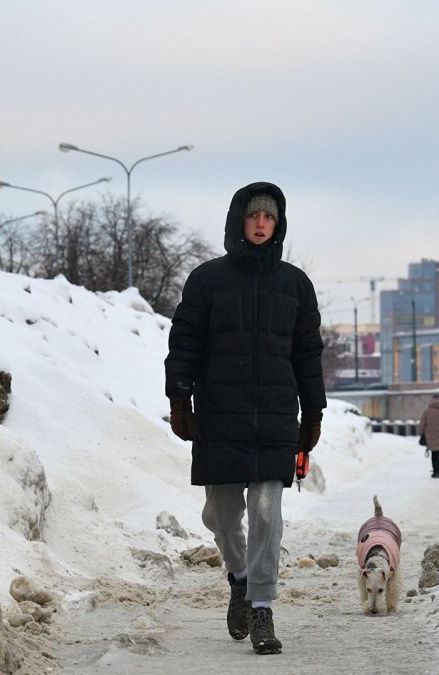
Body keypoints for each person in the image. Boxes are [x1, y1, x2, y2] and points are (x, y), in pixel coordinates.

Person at [164, 182, 326, 655]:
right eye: (254, 216)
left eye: (269, 217)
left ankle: (261, 605)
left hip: (276, 415)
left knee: (266, 512)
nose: (260, 224)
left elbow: (307, 352)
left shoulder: (295, 284)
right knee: (220, 513)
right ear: (239, 220)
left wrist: (313, 411)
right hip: (220, 415)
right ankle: (238, 578)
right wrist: (180, 398)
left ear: (278, 224)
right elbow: (185, 341)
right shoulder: (207, 280)